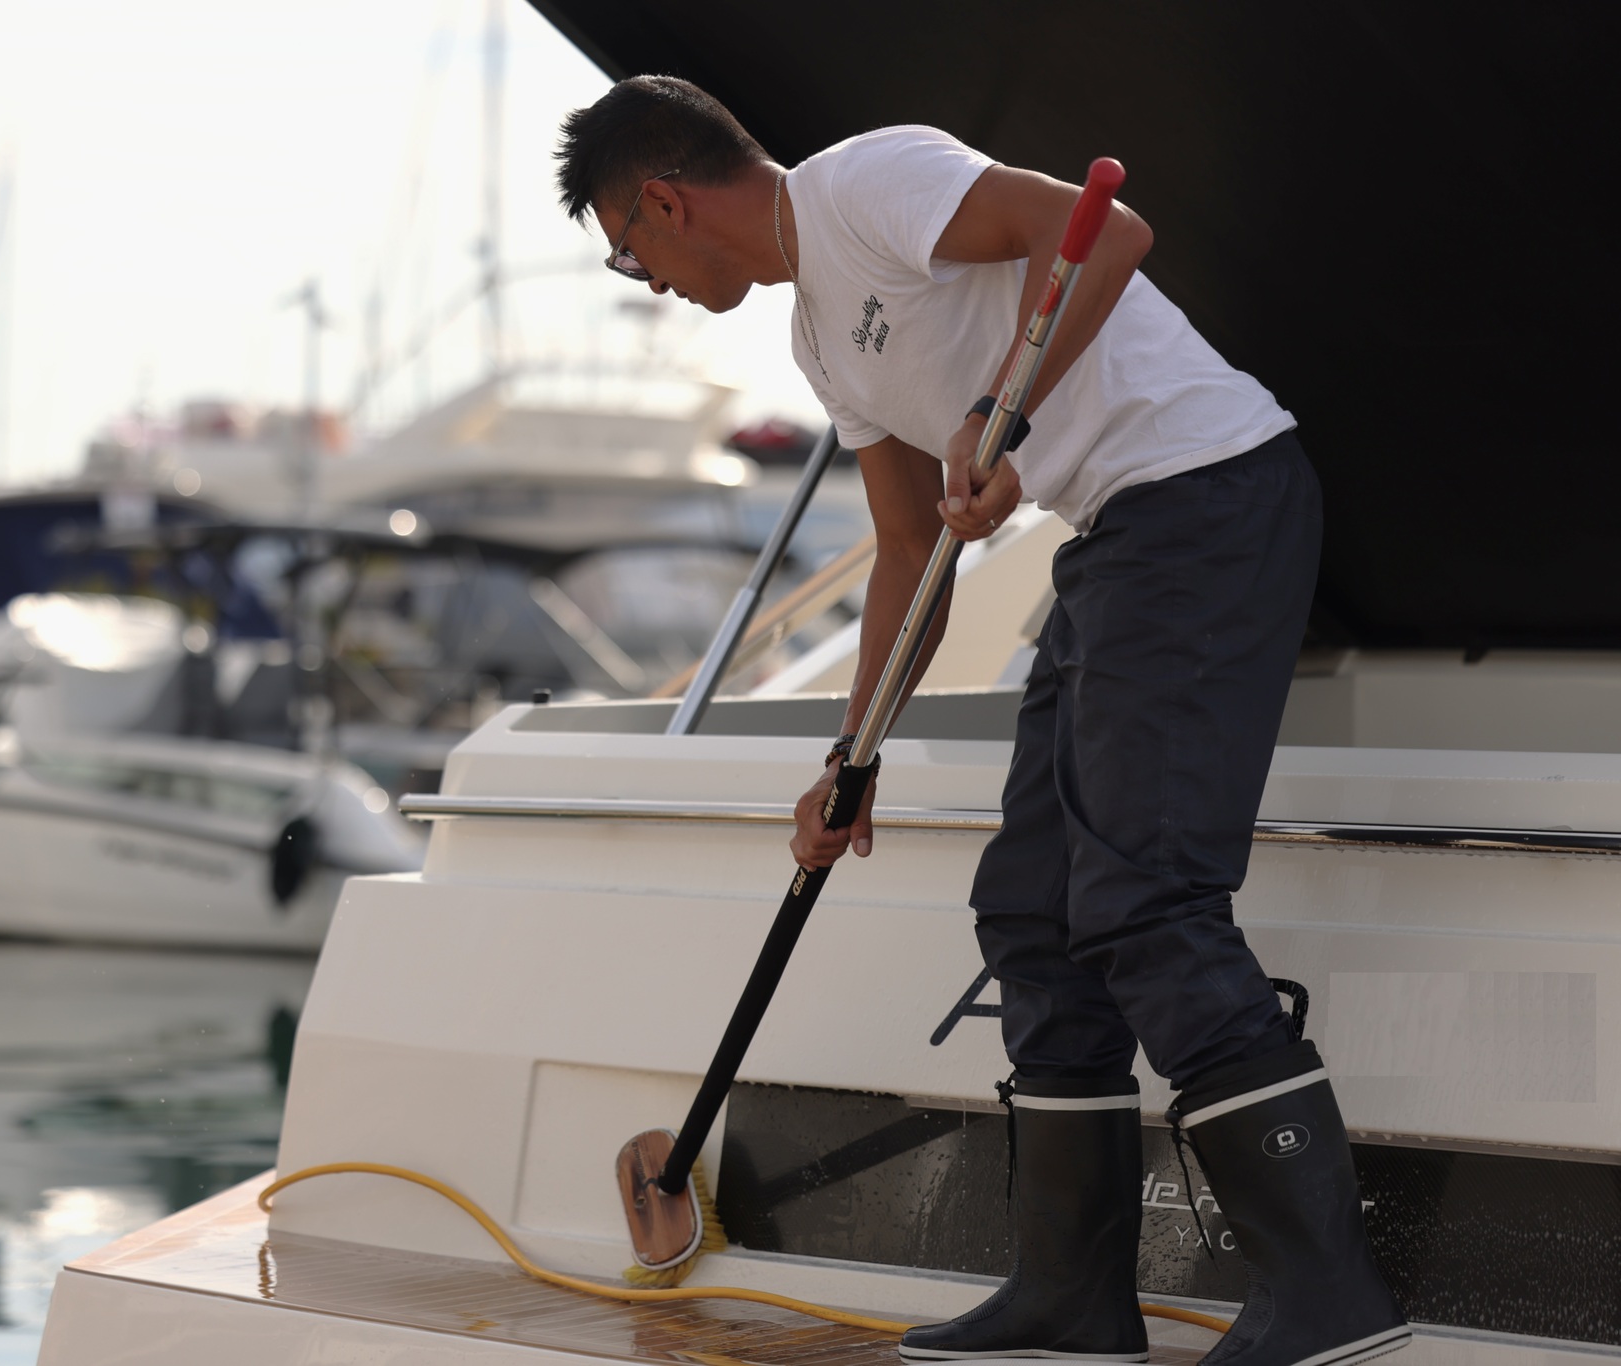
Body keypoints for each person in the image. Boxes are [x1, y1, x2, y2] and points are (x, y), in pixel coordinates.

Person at [554, 76, 1410, 1366]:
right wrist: (850, 758)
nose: (648, 280)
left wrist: (995, 411)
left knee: (1144, 900)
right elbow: (910, 549)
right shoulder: (820, 343)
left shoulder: (866, 184)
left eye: (630, 251)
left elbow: (1104, 233)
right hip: (1117, 539)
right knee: (1031, 909)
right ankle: (1073, 1299)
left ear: (663, 202)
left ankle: (1329, 1296)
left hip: (1209, 496)